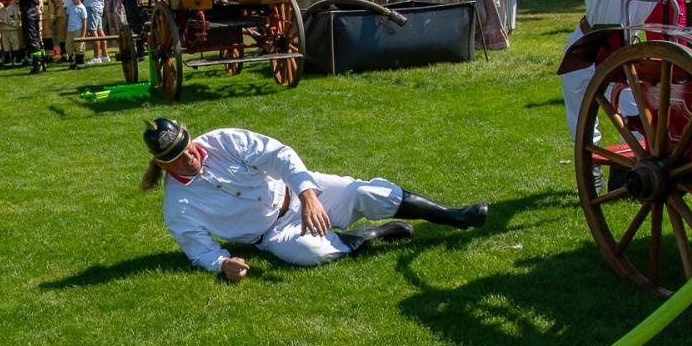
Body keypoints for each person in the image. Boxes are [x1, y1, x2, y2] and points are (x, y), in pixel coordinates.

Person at [140, 119, 489, 280]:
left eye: (187, 148)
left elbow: (280, 156)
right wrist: (223, 265)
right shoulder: (178, 205)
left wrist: (308, 195)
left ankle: (455, 216)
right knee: (311, 253)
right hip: (272, 236)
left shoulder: (223, 140)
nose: (190, 157)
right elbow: (198, 249)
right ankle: (373, 235)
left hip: (298, 193)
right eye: (177, 157)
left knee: (365, 192)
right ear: (161, 164)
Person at [558, 0, 692, 140]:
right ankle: (592, 168)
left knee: (636, 115)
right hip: (587, 44)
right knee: (579, 113)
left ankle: (633, 167)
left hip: (625, 49)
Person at [15, 0, 47, 73]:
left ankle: (37, 64)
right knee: (37, 37)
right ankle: (42, 62)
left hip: (28, 10)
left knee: (31, 38)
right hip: (34, 9)